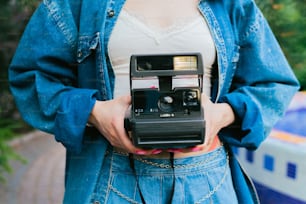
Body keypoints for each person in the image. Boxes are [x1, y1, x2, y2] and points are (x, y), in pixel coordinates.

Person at [9, 0, 299, 203]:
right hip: (112, 176)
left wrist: (221, 115)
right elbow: (31, 78)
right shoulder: (76, 4)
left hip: (206, 177)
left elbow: (273, 84)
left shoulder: (232, 5)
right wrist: (96, 112)